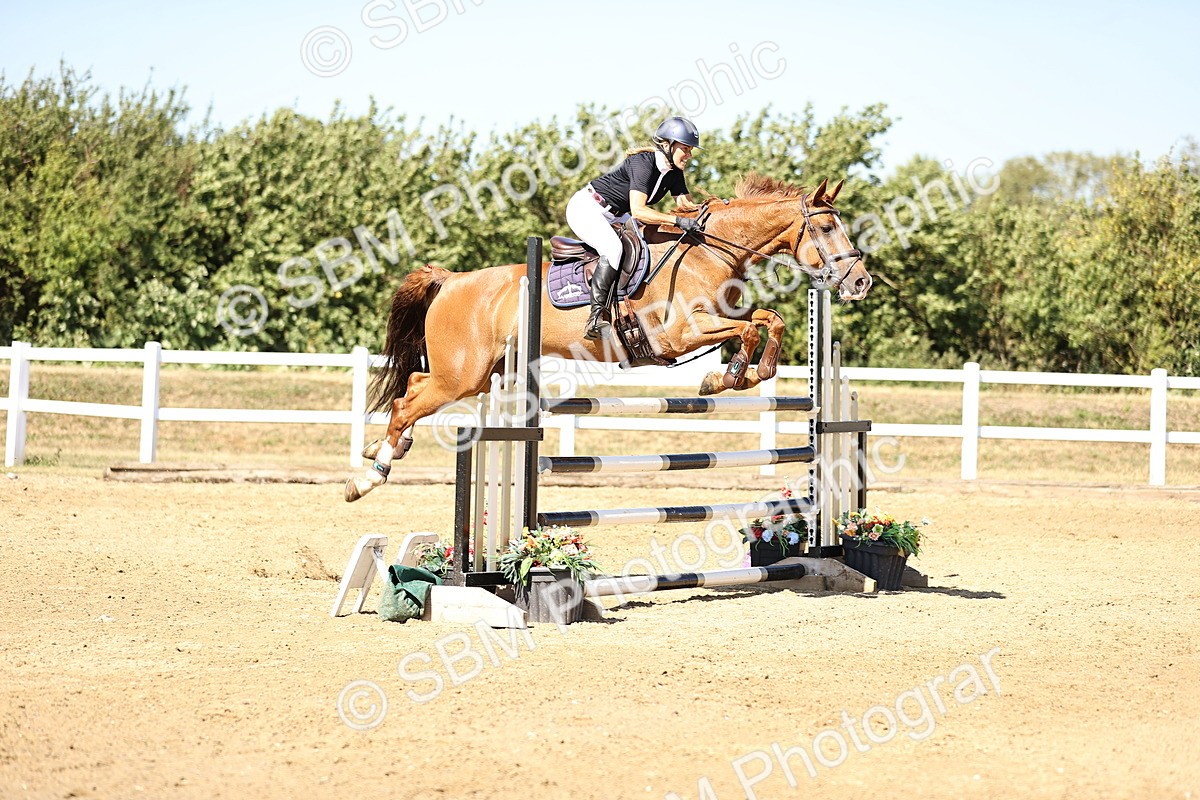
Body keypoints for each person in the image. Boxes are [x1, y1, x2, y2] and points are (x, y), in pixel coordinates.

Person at [566, 116, 702, 340]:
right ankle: (596, 318)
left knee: (649, 245)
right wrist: (677, 222)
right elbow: (639, 211)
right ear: (667, 145)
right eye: (685, 149)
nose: (689, 155)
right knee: (613, 249)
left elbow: (687, 207)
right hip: (588, 207)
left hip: (617, 214)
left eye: (690, 150)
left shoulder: (674, 172)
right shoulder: (644, 163)